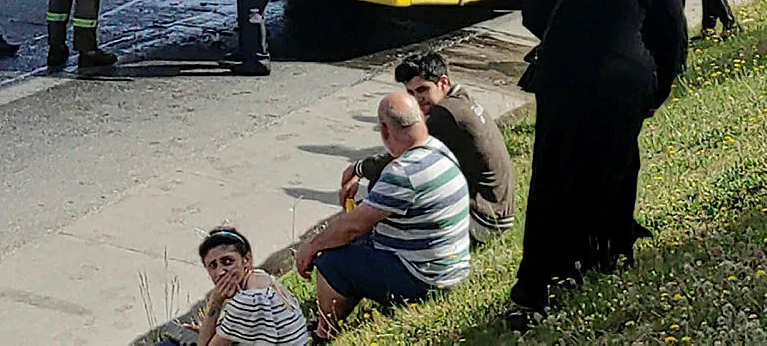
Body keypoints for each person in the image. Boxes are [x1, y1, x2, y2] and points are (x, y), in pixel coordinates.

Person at [506, 0, 687, 329]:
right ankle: (603, 257)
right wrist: (655, 90)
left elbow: (533, 14)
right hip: (623, 88)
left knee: (554, 174)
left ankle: (536, 284)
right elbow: (674, 38)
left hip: (563, 83)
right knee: (613, 170)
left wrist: (571, 39)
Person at [296, 92, 470, 340]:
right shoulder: (437, 150)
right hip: (451, 267)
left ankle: (325, 332)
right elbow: (386, 162)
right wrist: (359, 169)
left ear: (386, 130)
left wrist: (311, 247)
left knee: (331, 261)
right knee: (354, 249)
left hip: (424, 278)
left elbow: (352, 227)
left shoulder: (403, 173)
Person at [342, 51, 516, 245]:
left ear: (443, 82)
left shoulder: (447, 115)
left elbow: (402, 159)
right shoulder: (461, 98)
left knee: (390, 186)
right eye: (410, 93)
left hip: (483, 220)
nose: (417, 99)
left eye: (423, 90)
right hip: (495, 211)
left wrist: (359, 169)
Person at [169, 228, 309, 346]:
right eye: (213, 266)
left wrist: (215, 302)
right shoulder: (260, 277)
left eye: (227, 261)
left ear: (246, 260)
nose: (220, 272)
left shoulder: (248, 300)